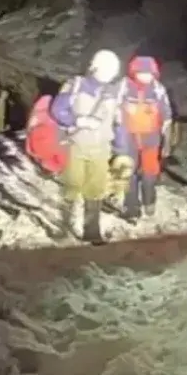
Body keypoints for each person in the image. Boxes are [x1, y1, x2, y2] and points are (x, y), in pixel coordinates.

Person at [49, 49, 122, 242]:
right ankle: (63, 226)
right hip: (76, 145)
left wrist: (122, 148)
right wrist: (77, 121)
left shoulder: (113, 93)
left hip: (101, 148)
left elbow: (118, 120)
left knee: (95, 190)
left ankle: (92, 230)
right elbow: (57, 110)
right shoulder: (75, 85)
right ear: (94, 67)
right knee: (72, 186)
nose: (107, 74)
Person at [113, 55, 173, 223]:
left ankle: (149, 201)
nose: (146, 77)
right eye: (141, 73)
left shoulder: (158, 90)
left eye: (149, 74)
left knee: (150, 172)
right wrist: (115, 133)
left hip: (151, 138)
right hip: (128, 136)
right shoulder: (123, 86)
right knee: (128, 172)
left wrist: (166, 142)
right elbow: (114, 109)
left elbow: (167, 116)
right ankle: (132, 207)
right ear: (134, 72)